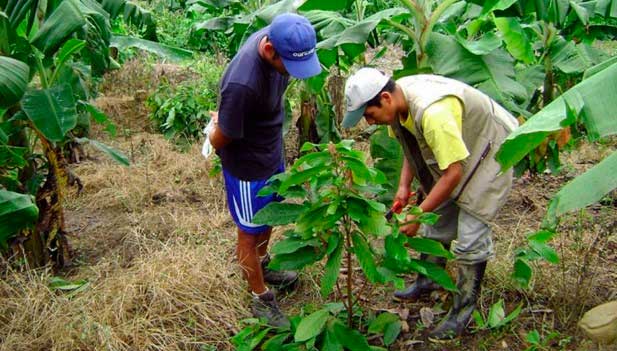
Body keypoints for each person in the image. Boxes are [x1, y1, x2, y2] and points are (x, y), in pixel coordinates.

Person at [342, 68, 518, 340]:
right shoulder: (399, 105)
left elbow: (453, 174)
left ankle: (462, 311)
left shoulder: (432, 113)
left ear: (385, 98)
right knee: (437, 214)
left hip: (493, 146)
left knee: (470, 232)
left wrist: (416, 215)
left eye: (369, 114)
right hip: (461, 147)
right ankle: (429, 279)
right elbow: (408, 147)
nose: (368, 122)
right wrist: (403, 188)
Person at [208, 13, 321, 328]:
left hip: (270, 149)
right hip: (246, 167)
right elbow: (223, 135)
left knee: (269, 214)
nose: (293, 74)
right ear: (270, 51)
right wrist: (210, 136)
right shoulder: (242, 84)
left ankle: (264, 263)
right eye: (290, 66)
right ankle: (260, 296)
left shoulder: (280, 36)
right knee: (249, 230)